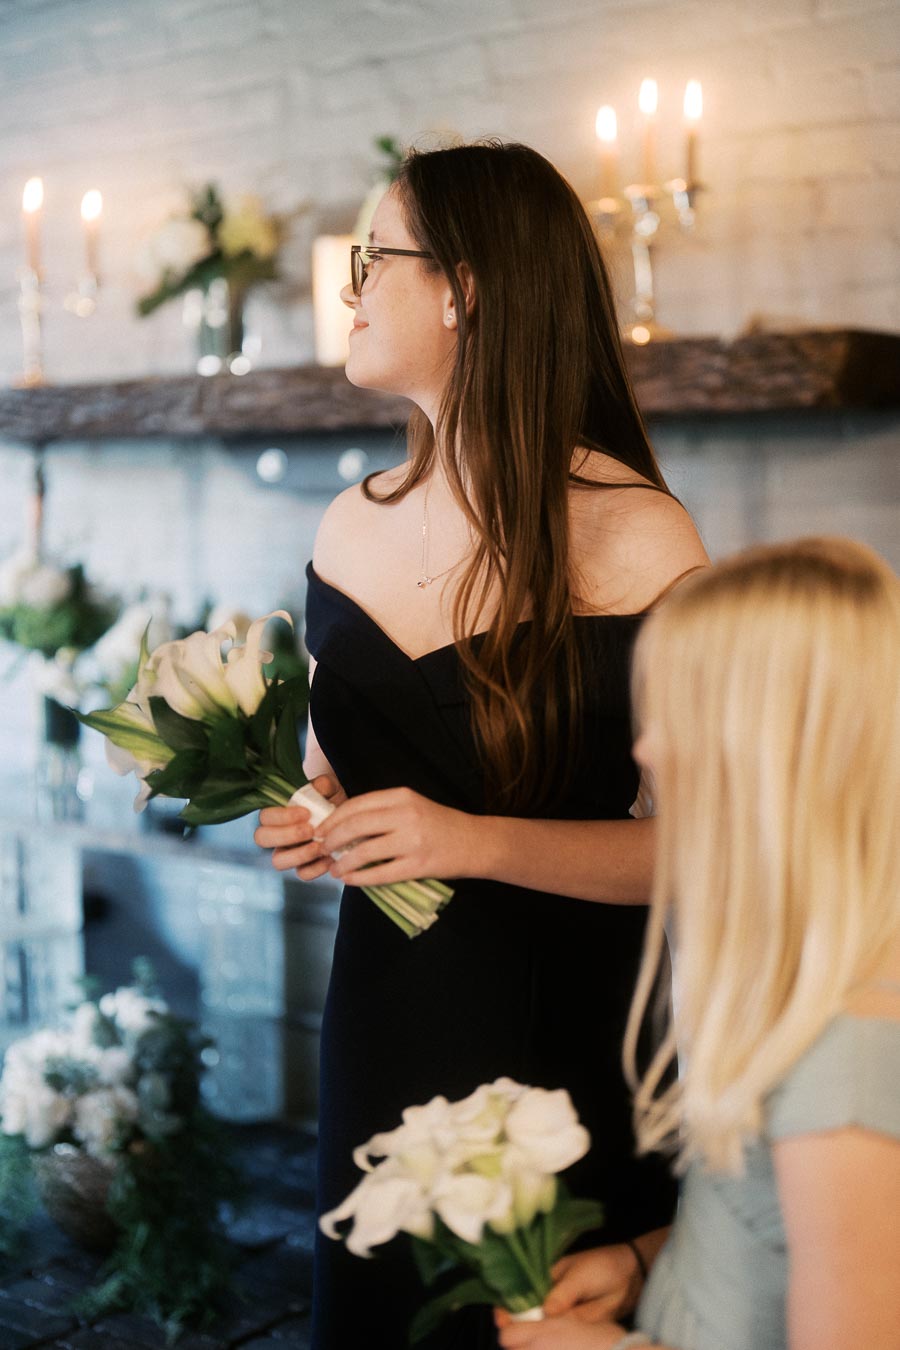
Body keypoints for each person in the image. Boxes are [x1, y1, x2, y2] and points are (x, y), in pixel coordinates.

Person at [254, 140, 709, 1349]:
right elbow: (338, 763)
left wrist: (468, 839)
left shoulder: (638, 535)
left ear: (465, 288)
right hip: (386, 1015)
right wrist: (312, 810)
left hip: (560, 1036)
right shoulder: (347, 523)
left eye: (371, 257)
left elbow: (702, 855)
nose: (347, 288)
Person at [495, 537, 900, 1350]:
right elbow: (780, 1226)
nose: (644, 748)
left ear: (770, 747)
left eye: (677, 713)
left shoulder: (848, 1066)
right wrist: (647, 1262)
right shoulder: (812, 972)